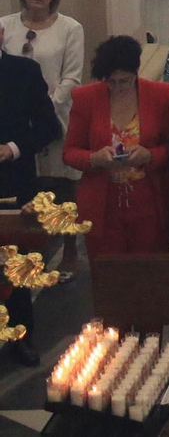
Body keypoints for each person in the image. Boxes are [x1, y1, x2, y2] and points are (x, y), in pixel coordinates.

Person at [64, 36, 169, 257]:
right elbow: (69, 152)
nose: (117, 87)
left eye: (124, 81)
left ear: (136, 72)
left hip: (149, 202)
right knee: (109, 277)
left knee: (150, 273)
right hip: (103, 204)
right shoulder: (85, 97)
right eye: (110, 81)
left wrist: (149, 155)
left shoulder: (161, 95)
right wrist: (94, 158)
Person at [0, 21, 61, 365]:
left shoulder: (23, 71)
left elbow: (48, 127)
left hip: (13, 180)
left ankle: (21, 334)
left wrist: (12, 148)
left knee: (18, 261)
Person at [2, 0, 84, 196]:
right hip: (13, 121)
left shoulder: (70, 28)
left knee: (57, 192)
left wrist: (43, 107)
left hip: (54, 115)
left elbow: (71, 78)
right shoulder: (4, 25)